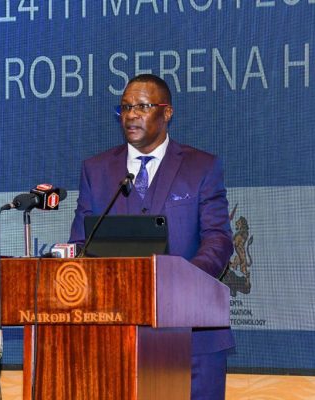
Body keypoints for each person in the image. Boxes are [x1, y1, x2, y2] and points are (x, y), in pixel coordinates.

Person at [69, 74, 234, 400]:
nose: (131, 115)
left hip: (193, 338)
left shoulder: (202, 167)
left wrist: (179, 283)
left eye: (142, 107)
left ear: (167, 112)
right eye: (125, 107)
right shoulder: (96, 170)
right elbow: (80, 245)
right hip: (115, 337)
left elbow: (218, 240)